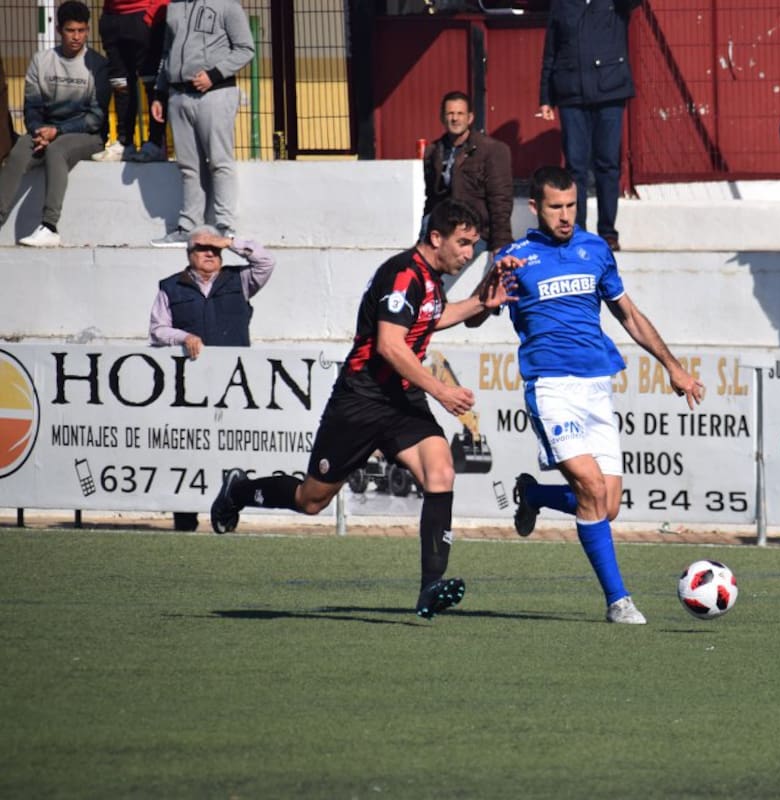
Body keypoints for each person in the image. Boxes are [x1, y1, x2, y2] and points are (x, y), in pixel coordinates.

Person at [209, 200, 514, 620]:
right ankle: (239, 490)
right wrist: (442, 391)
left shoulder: (430, 279)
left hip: (402, 400)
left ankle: (431, 587)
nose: (468, 253)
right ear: (436, 237)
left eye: (472, 245)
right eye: (462, 243)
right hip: (361, 400)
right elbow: (389, 345)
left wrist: (483, 301)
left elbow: (435, 317)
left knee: (440, 471)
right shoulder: (403, 274)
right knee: (311, 500)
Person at [500, 165, 705, 624]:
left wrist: (673, 367)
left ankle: (533, 494)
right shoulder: (514, 258)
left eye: (572, 205)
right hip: (551, 388)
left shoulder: (595, 249)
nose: (565, 215)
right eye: (556, 207)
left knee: (606, 506)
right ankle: (618, 601)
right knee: (591, 489)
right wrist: (494, 279)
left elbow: (628, 314)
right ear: (534, 208)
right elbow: (481, 310)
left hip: (596, 388)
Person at [149, 226, 276, 531]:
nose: (210, 253)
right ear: (188, 254)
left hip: (234, 386)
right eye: (202, 248)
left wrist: (229, 242)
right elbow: (157, 329)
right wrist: (184, 337)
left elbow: (266, 262)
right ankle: (185, 517)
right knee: (188, 450)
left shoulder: (240, 279)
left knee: (231, 450)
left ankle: (227, 513)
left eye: (214, 249)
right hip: (189, 387)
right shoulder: (170, 286)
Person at [0, 1, 108, 248]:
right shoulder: (42, 61)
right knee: (19, 151)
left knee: (57, 150)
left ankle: (50, 226)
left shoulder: (98, 65)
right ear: (59, 30)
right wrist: (39, 131)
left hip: (87, 135)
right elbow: (32, 106)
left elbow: (95, 118)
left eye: (81, 30)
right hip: (45, 132)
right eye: (70, 30)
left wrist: (57, 131)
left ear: (88, 30)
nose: (76, 37)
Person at [538, 0, 642, 251]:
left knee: (607, 163)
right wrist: (546, 97)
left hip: (610, 91)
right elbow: (551, 51)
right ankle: (577, 231)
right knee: (575, 166)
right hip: (571, 94)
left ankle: (607, 232)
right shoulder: (562, 4)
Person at [149, 0, 254, 246]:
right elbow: (167, 53)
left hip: (216, 93)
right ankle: (188, 227)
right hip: (178, 95)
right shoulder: (173, 7)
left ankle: (224, 226)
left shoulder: (228, 6)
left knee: (219, 161)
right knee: (188, 166)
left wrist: (214, 75)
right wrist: (160, 93)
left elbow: (245, 49)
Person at [423, 91, 513, 254]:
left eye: (460, 113)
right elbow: (431, 199)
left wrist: (501, 243)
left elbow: (500, 201)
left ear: (470, 118)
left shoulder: (492, 150)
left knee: (443, 257)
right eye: (450, 113)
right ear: (442, 118)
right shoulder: (433, 151)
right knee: (415, 261)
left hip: (475, 232)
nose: (455, 118)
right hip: (441, 229)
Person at [91, 0, 170, 163]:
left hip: (143, 15)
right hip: (113, 18)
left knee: (151, 82)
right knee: (120, 83)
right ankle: (125, 142)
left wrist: (151, 14)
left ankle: (156, 143)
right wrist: (107, 14)